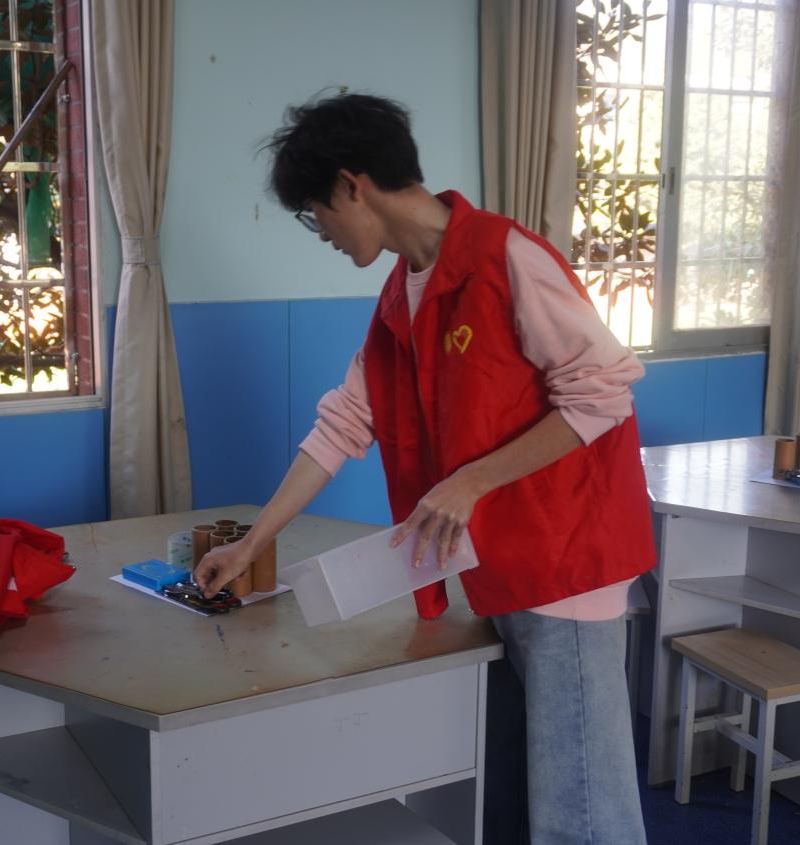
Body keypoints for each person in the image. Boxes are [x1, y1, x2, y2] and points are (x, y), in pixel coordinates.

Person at [193, 93, 656, 845]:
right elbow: (343, 424)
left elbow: (603, 392)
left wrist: (470, 480)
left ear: (353, 186)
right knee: (512, 786)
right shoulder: (400, 295)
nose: (323, 234)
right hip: (497, 562)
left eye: (317, 214)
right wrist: (253, 542)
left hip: (568, 561)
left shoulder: (506, 257)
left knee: (582, 804)